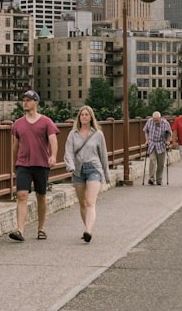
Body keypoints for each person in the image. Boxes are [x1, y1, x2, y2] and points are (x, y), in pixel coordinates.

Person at [9, 90, 58, 242]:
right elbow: (15, 146)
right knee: (21, 195)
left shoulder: (46, 122)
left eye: (29, 100)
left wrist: (53, 156)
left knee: (41, 196)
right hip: (23, 164)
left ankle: (41, 228)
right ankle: (20, 230)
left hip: (41, 164)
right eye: (23, 100)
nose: (25, 102)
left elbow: (53, 140)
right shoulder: (18, 124)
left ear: (36, 103)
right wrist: (13, 165)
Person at [64, 105, 111, 243]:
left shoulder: (98, 134)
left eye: (86, 114)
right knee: (83, 203)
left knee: (90, 202)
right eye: (82, 115)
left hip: (93, 169)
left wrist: (107, 175)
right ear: (79, 118)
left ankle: (89, 231)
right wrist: (70, 166)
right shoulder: (73, 134)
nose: (84, 117)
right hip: (78, 170)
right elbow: (68, 152)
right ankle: (87, 228)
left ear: (91, 117)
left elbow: (104, 155)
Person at [143, 111, 172, 185]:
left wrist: (168, 141)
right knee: (152, 161)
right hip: (152, 143)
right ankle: (151, 179)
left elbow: (169, 133)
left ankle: (159, 179)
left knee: (161, 163)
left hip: (161, 144)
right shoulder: (149, 121)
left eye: (157, 120)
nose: (155, 121)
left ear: (160, 118)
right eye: (154, 120)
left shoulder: (165, 123)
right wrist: (147, 140)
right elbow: (146, 131)